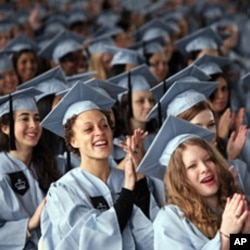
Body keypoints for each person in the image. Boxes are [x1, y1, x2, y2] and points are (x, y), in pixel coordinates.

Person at [39, 81, 158, 249]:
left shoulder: (126, 178)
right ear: (73, 140)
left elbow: (153, 233)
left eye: (104, 125)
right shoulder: (64, 190)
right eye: (88, 129)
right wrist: (128, 190)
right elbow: (90, 241)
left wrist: (139, 181)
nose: (100, 132)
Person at [137, 115, 250, 250]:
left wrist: (244, 236)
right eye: (192, 166)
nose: (204, 168)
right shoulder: (170, 221)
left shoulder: (235, 203)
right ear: (179, 178)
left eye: (208, 159)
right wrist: (225, 235)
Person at [0, 88, 60, 249]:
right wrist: (30, 224)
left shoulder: (48, 163)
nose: (33, 125)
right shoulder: (1, 170)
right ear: (5, 127)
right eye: (24, 119)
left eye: (37, 118)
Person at [108, 64, 158, 165]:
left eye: (151, 100)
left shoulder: (158, 137)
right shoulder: (115, 144)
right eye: (140, 101)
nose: (149, 105)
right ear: (126, 105)